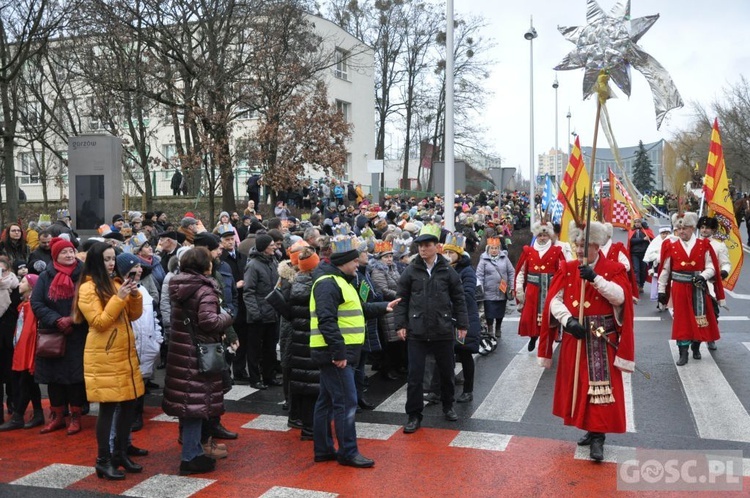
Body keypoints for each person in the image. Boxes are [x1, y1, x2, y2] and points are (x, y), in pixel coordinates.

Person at [538, 220, 635, 462]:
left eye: (584, 246)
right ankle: (589, 429)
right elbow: (554, 300)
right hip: (576, 335)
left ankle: (599, 436)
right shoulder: (568, 267)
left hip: (601, 339)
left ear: (596, 245)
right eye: (577, 245)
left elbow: (620, 298)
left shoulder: (613, 268)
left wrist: (595, 278)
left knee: (601, 390)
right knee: (580, 386)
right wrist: (568, 320)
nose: (579, 251)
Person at [309, 235, 397, 468]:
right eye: (355, 261)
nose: (358, 264)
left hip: (338, 352)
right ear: (344, 262)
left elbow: (358, 309)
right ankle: (348, 451)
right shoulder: (329, 283)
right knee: (346, 403)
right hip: (337, 354)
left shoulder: (341, 281)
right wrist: (339, 353)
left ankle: (324, 449)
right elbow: (326, 321)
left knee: (326, 401)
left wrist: (383, 307)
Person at [73, 242, 144, 480]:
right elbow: (100, 322)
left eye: (113, 258)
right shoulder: (87, 288)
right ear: (95, 261)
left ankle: (120, 454)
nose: (111, 263)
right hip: (104, 355)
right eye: (106, 259)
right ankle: (103, 460)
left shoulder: (115, 283)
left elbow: (134, 315)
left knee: (128, 405)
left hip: (123, 352)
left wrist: (133, 295)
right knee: (107, 407)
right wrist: (119, 298)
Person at [163, 247, 234, 476]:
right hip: (198, 355)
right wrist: (228, 315)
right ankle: (190, 457)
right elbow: (209, 322)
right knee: (195, 405)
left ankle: (193, 450)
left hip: (181, 352)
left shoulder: (178, 285)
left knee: (188, 404)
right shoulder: (204, 289)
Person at [394, 224, 468, 434]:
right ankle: (414, 415)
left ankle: (448, 406)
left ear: (437, 247)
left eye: (427, 245)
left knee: (446, 372)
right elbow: (401, 299)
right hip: (417, 329)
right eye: (420, 246)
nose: (423, 249)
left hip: (442, 328)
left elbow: (459, 298)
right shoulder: (411, 270)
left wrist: (462, 324)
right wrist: (400, 325)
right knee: (415, 376)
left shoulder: (447, 270)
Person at [31, 237, 87, 435]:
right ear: (55, 255)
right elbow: (37, 303)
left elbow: (89, 300)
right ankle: (56, 417)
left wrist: (72, 319)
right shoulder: (46, 276)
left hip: (77, 334)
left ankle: (75, 417)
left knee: (74, 379)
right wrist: (57, 320)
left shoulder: (85, 274)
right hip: (53, 334)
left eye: (71, 251)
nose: (69, 255)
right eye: (64, 252)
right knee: (53, 379)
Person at [658, 213, 723, 366]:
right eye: (678, 228)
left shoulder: (704, 245)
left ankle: (696, 346)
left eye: (684, 228)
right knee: (682, 321)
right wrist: (661, 290)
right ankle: (683, 352)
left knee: (699, 320)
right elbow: (665, 270)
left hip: (698, 288)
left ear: (693, 228)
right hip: (679, 289)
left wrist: (704, 276)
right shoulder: (670, 246)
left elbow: (712, 267)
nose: (681, 231)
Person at [0, 274, 43, 431]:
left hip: (27, 350)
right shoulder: (25, 305)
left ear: (31, 286)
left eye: (24, 281)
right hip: (24, 349)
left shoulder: (31, 305)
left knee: (25, 381)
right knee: (29, 383)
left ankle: (18, 416)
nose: (20, 284)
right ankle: (38, 413)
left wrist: (23, 352)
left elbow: (28, 332)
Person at [441, 234, 481, 403]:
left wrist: (447, 302)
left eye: (452, 253)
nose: (448, 256)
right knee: (447, 355)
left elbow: (467, 294)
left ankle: (468, 390)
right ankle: (444, 390)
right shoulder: (444, 269)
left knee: (465, 354)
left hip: (465, 318)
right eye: (446, 253)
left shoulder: (467, 271)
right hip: (447, 318)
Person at [515, 222, 564, 352]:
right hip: (532, 291)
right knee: (531, 319)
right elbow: (521, 272)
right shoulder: (529, 251)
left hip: (550, 290)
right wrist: (519, 289)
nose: (542, 238)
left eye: (545, 235)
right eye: (540, 235)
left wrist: (561, 291)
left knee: (550, 318)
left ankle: (546, 344)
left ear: (550, 237)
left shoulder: (556, 251)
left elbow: (562, 272)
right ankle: (533, 337)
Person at [243, 234, 280, 390]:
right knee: (255, 350)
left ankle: (269, 376)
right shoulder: (253, 265)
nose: (275, 247)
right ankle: (255, 379)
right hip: (258, 316)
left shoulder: (273, 262)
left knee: (270, 348)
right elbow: (248, 291)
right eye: (272, 245)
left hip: (273, 313)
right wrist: (255, 313)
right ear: (265, 248)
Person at [697, 216, 731, 352]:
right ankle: (696, 343)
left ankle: (711, 338)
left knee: (713, 313)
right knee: (696, 314)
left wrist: (723, 272)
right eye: (702, 227)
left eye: (707, 228)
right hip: (694, 283)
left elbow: (726, 263)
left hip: (711, 284)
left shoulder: (719, 245)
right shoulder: (692, 243)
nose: (704, 230)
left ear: (713, 230)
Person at [476, 237, 515, 340]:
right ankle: (490, 329)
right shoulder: (483, 260)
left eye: (496, 248)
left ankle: (498, 327)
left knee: (500, 311)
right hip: (488, 291)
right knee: (489, 312)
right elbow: (479, 275)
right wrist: (480, 289)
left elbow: (511, 272)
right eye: (492, 248)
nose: (494, 250)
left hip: (502, 291)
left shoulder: (504, 258)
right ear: (488, 249)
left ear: (499, 249)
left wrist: (512, 286)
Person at [627, 219, 654, 294]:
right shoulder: (632, 231)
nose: (637, 224)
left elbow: (652, 240)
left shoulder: (646, 230)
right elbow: (631, 241)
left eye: (638, 222)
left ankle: (641, 285)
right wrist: (642, 239)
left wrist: (649, 238)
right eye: (635, 222)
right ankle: (637, 285)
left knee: (643, 270)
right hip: (634, 253)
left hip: (644, 253)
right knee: (636, 269)